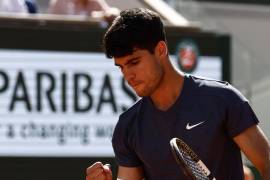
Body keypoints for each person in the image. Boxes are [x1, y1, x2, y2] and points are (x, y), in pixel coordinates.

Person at [86, 8, 270, 180]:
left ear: (160, 50)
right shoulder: (127, 126)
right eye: (121, 67)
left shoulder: (224, 100)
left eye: (134, 62)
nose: (128, 75)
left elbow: (267, 164)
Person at [47, 0, 119, 23]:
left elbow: (114, 12)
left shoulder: (95, 2)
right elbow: (49, 25)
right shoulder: (60, 2)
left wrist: (103, 15)